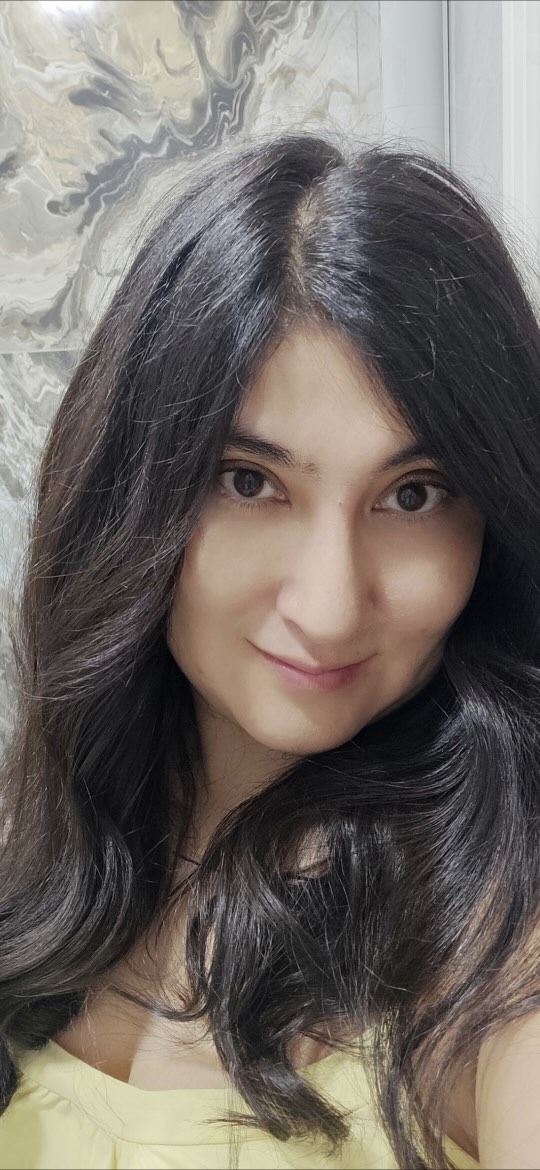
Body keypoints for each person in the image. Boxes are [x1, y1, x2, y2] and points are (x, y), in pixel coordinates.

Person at [0, 128, 539, 1170]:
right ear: (133, 495)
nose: (329, 608)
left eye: (415, 495)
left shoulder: (497, 939)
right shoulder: (29, 851)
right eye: (250, 481)